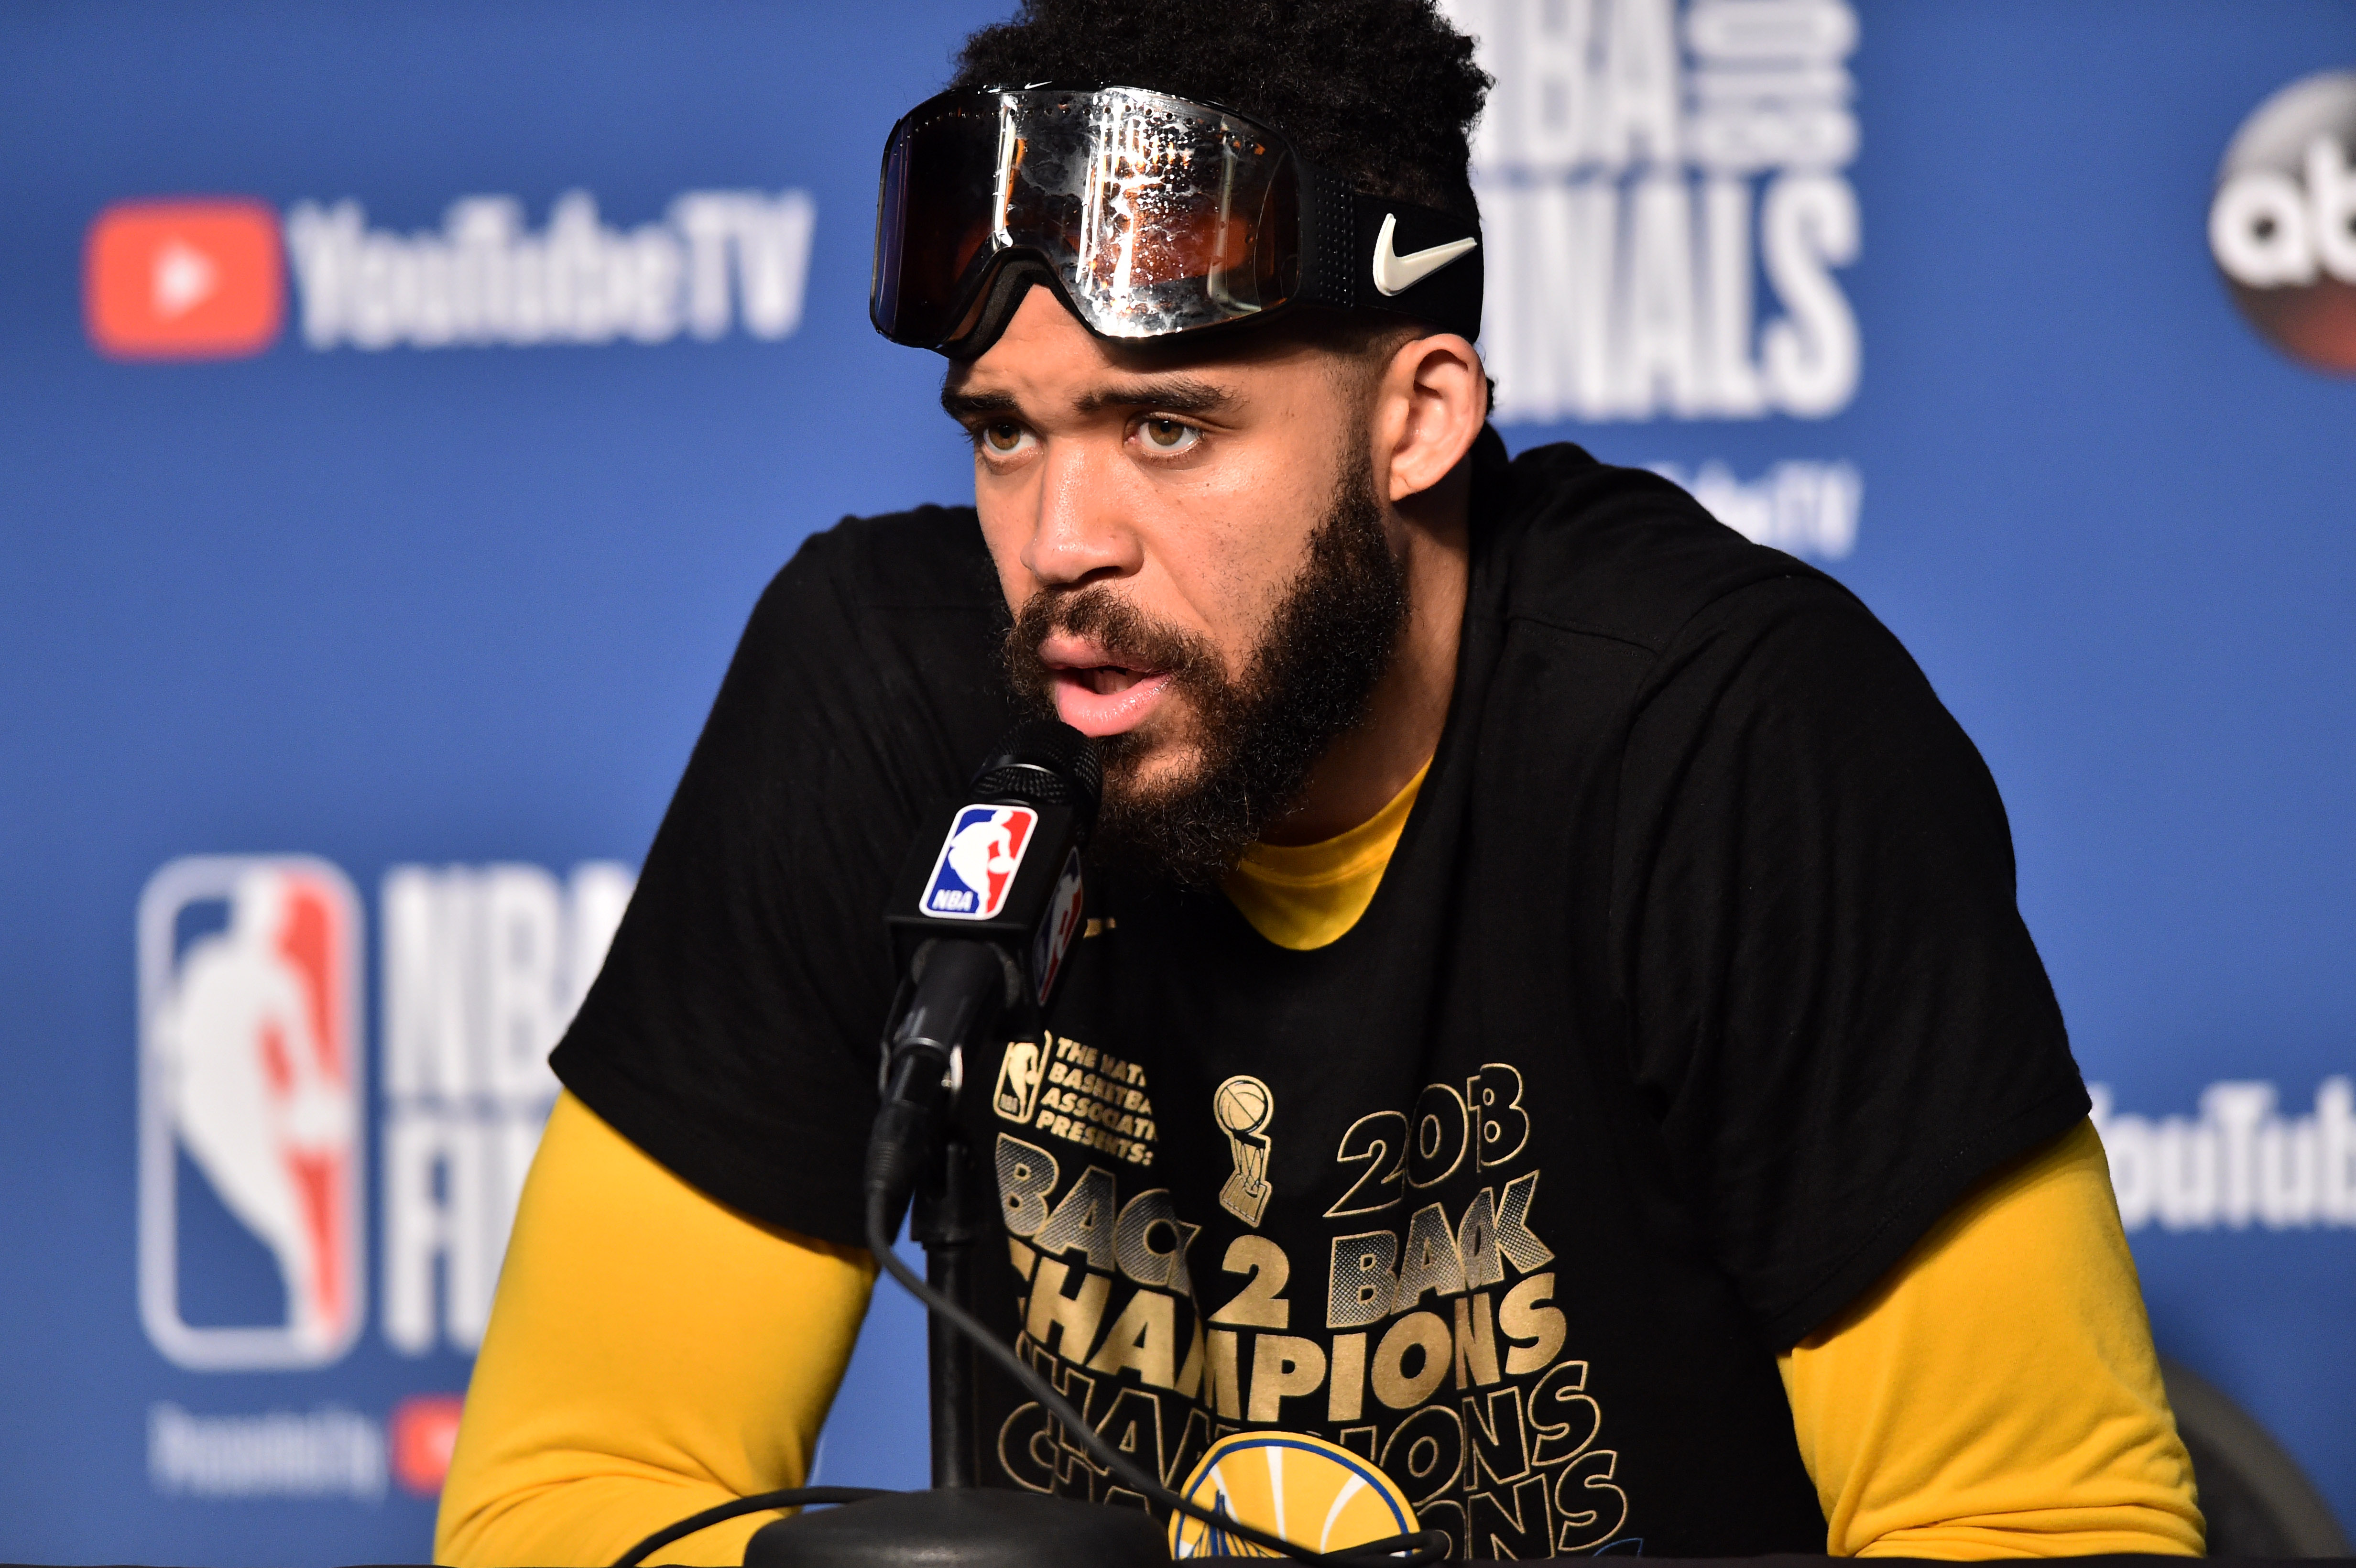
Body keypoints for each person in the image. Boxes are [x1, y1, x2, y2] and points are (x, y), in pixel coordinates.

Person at [436, 2, 2205, 1561]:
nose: (1058, 545)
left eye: (1169, 426)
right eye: (1005, 432)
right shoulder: (887, 693)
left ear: (1418, 420)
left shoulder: (1726, 731)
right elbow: (574, 1494)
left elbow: (2048, 1528)